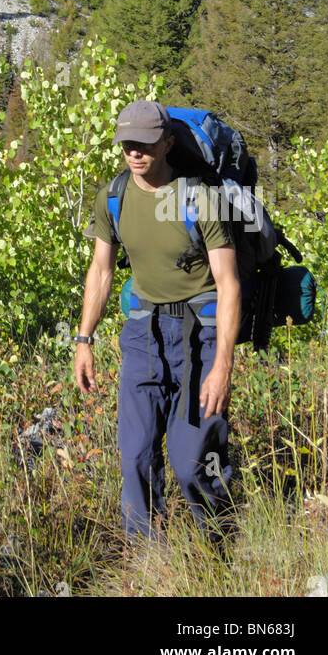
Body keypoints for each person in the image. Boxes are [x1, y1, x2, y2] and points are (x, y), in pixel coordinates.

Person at [73, 99, 241, 545]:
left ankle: (218, 550)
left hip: (200, 339)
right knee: (135, 459)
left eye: (145, 143)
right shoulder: (113, 196)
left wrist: (222, 366)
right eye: (127, 143)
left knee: (192, 464)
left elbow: (229, 285)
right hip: (143, 335)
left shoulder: (200, 198)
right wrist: (83, 339)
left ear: (167, 143)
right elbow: (102, 270)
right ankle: (148, 567)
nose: (135, 152)